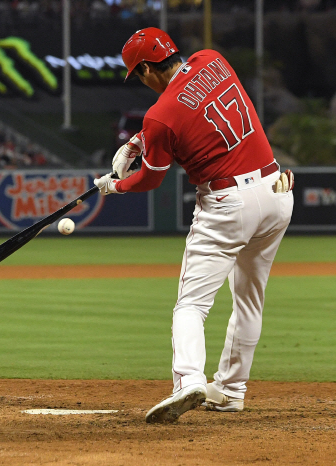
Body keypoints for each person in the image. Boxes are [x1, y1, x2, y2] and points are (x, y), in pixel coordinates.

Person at [94, 27, 294, 424]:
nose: (141, 81)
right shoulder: (212, 60)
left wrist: (113, 186)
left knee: (191, 305)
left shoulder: (159, 117)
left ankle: (188, 380)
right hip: (275, 191)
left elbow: (151, 178)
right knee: (249, 298)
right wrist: (136, 142)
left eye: (138, 73)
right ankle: (232, 391)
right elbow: (191, 102)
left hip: (228, 205)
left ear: (149, 68)